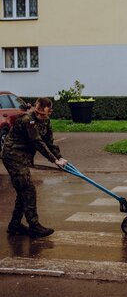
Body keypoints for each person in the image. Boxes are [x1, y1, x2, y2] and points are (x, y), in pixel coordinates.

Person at [1, 97, 67, 238]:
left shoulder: (46, 121)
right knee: (28, 190)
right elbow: (37, 142)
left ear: (50, 112)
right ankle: (34, 226)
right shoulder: (27, 120)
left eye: (43, 114)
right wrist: (54, 160)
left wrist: (60, 157)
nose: (39, 116)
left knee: (22, 191)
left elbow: (49, 142)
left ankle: (15, 225)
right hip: (13, 156)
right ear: (34, 109)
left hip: (23, 158)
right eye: (37, 112)